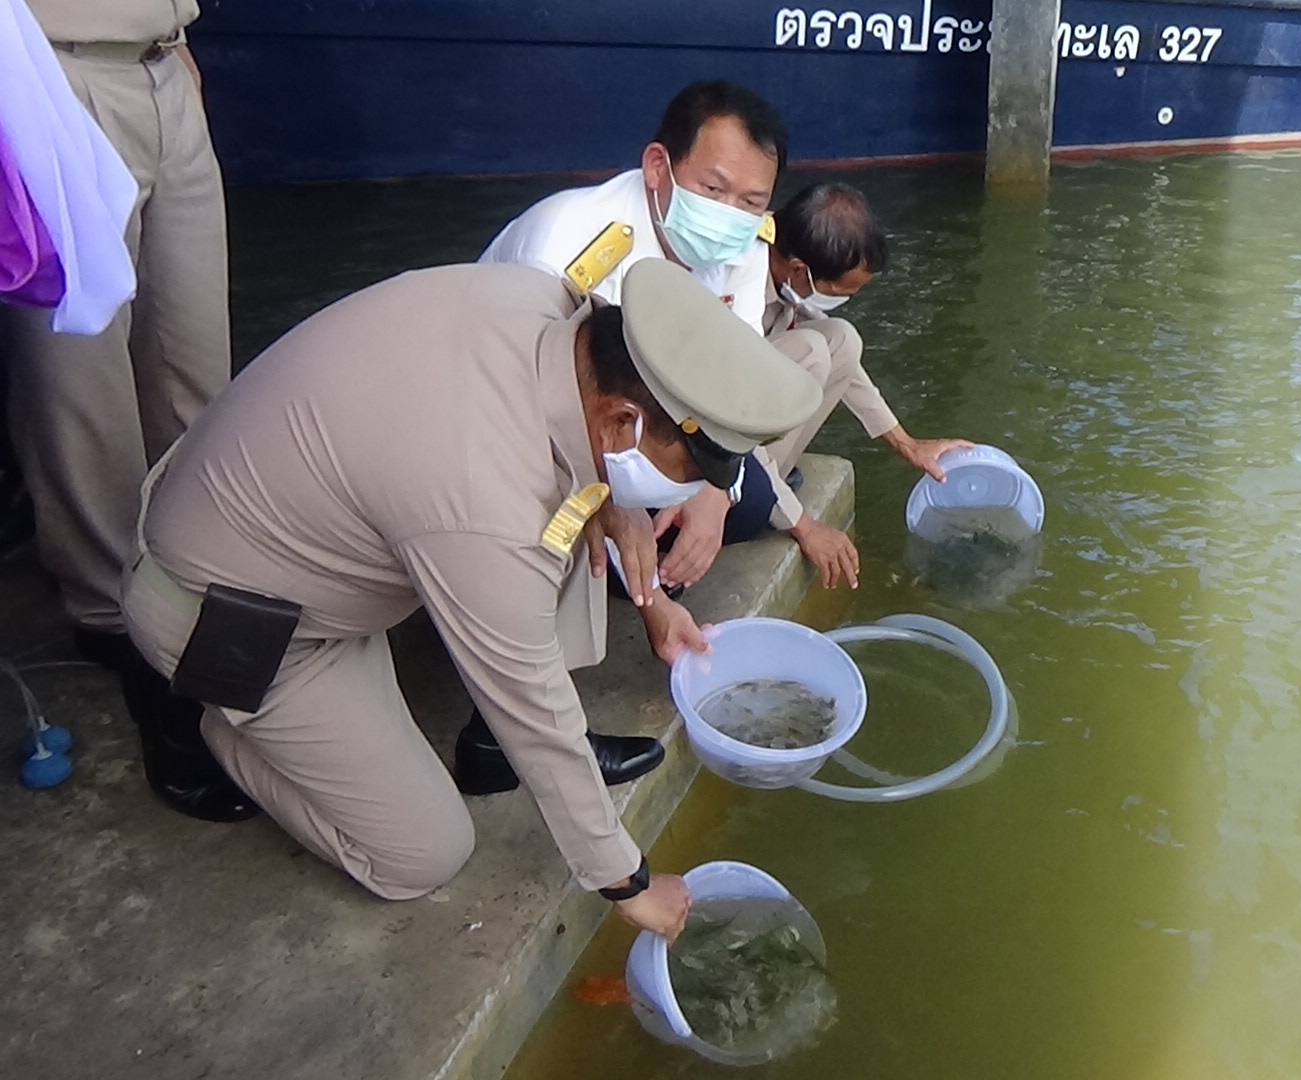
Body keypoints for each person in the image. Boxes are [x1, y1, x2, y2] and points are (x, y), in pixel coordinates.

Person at [123, 259, 821, 931]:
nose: (694, 489)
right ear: (620, 422)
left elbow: (548, 459)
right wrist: (628, 883)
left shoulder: (541, 303)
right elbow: (535, 716)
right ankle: (222, 720)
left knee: (577, 510)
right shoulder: (485, 510)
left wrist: (629, 537)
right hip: (239, 620)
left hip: (247, 506)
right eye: (692, 470)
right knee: (422, 853)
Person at [479, 79, 859, 594]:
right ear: (657, 166)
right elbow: (537, 416)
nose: (731, 215)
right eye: (713, 190)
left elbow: (735, 381)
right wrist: (622, 527)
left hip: (649, 423)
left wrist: (714, 492)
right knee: (602, 562)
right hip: (533, 431)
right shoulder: (568, 249)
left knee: (741, 507)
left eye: (752, 201)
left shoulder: (746, 247)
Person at [2, 0, 241, 820]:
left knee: (195, 365)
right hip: (54, 72)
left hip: (160, 60)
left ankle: (197, 567)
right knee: (82, 382)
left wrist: (176, 42)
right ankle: (112, 612)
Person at [761, 182, 973, 497]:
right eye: (836, 292)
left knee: (842, 337)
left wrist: (906, 443)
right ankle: (753, 486)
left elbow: (847, 362)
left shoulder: (788, 267)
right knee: (811, 350)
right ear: (799, 269)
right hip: (713, 421)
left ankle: (771, 472)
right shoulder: (739, 275)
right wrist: (799, 521)